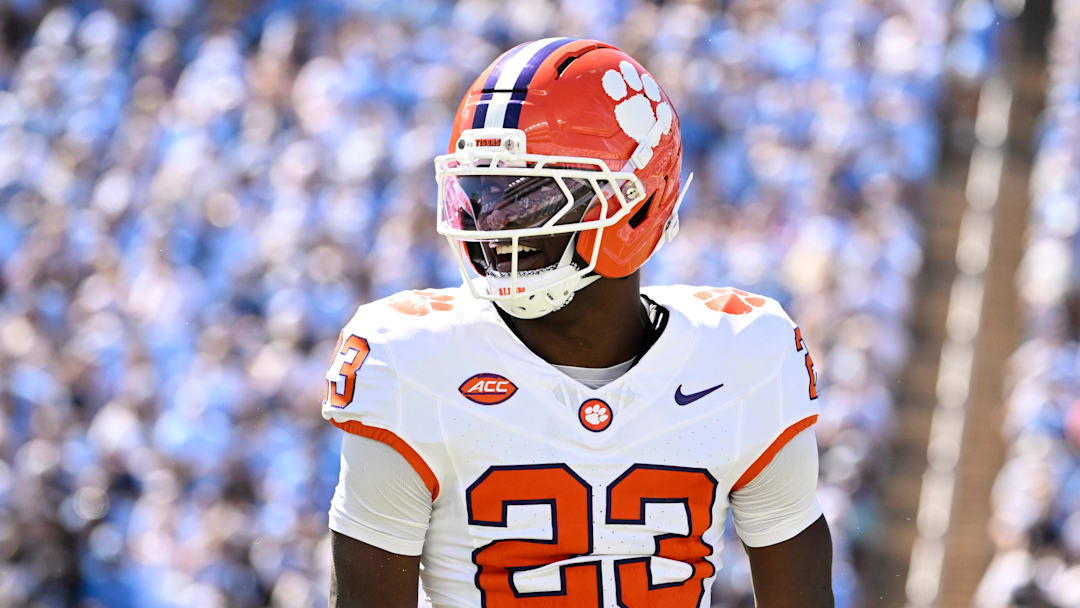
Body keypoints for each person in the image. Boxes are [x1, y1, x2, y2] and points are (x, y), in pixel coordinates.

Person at [323, 38, 833, 607]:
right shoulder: (409, 360)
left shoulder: (746, 354)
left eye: (531, 198)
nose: (494, 225)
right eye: (480, 193)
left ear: (639, 201)